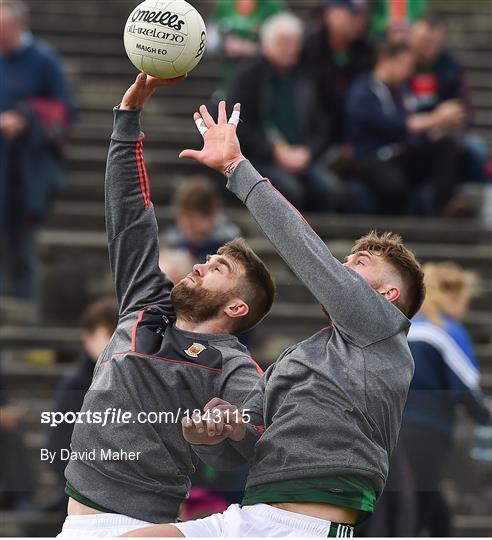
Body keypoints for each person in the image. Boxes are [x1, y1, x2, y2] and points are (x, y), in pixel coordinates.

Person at [123, 99, 426, 538]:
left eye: (358, 262)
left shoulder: (383, 329)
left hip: (308, 523)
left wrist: (236, 167)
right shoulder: (301, 355)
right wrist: (212, 431)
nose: (340, 266)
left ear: (387, 294)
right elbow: (245, 443)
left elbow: (307, 251)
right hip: (253, 512)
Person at [56, 74, 275, 537]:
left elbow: (260, 433)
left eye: (217, 269)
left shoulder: (232, 365)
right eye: (207, 259)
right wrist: (128, 118)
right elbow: (130, 214)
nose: (198, 266)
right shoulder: (146, 301)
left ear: (237, 307)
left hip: (141, 525)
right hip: (75, 520)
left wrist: (230, 426)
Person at [401, 262, 491, 536]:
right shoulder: (445, 330)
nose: (464, 310)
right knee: (415, 509)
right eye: (464, 301)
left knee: (423, 505)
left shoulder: (404, 326)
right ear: (452, 296)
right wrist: (485, 414)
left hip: (390, 430)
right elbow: (465, 388)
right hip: (426, 431)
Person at [227, 13, 341, 211]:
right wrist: (275, 153)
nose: (289, 48)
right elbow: (239, 126)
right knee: (289, 190)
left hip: (303, 156)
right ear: (266, 44)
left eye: (294, 42)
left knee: (330, 189)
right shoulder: (249, 76)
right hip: (261, 157)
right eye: (282, 42)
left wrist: (309, 152)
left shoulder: (307, 76)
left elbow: (322, 123)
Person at [0, 0, 74, 303]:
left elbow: (64, 111)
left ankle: (24, 313)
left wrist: (25, 117)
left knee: (24, 249)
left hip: (27, 170)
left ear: (19, 26)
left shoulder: (43, 60)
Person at [345, 41, 465, 215]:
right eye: (405, 64)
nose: (408, 72)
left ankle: (445, 208)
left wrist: (440, 127)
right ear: (385, 60)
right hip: (372, 158)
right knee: (394, 186)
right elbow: (389, 124)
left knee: (445, 146)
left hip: (401, 156)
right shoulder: (363, 89)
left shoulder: (402, 93)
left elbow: (412, 127)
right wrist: (436, 117)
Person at [45, 298, 118, 511]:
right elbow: (57, 448)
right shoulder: (75, 385)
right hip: (82, 494)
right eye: (108, 337)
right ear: (88, 339)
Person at [409, 15, 490, 185]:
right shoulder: (401, 64)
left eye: (434, 43)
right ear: (411, 39)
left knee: (475, 148)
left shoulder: (449, 65)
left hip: (446, 131)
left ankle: (478, 199)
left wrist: (452, 124)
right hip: (409, 133)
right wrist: (431, 121)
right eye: (424, 41)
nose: (429, 48)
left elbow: (463, 108)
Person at [303, 0, 374, 144]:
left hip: (355, 141)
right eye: (353, 14)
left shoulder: (368, 52)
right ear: (331, 13)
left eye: (364, 15)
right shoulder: (307, 48)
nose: (360, 22)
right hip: (311, 140)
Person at [208, 0, 285, 96]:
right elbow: (210, 42)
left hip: (263, 78)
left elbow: (282, 47)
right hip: (230, 75)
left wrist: (250, 49)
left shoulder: (271, 7)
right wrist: (225, 45)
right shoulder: (225, 5)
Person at [161, 177, 240, 264]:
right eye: (181, 219)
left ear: (211, 216)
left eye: (192, 222)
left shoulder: (229, 246)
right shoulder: (173, 241)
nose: (186, 226)